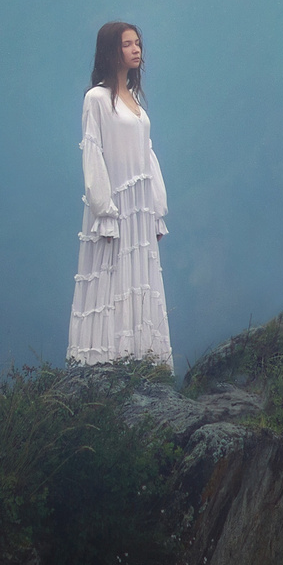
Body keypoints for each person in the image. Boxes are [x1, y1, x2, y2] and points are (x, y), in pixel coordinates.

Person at [67, 20, 173, 366]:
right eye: (127, 44)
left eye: (137, 43)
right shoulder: (97, 98)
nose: (136, 49)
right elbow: (92, 153)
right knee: (110, 279)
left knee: (138, 279)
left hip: (139, 205)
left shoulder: (135, 99)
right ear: (111, 51)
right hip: (115, 205)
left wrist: (156, 209)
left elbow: (147, 154)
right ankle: (104, 360)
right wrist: (104, 210)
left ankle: (142, 359)